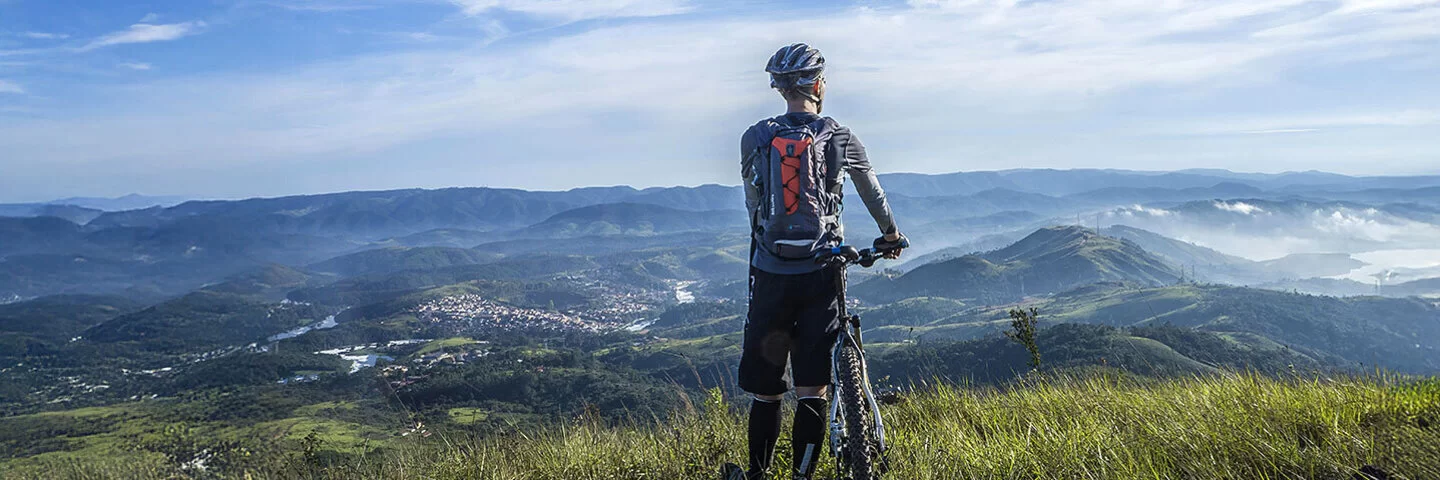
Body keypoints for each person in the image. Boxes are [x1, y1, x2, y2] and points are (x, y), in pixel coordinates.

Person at [723, 43, 907, 480]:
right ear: (819, 85)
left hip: (770, 274)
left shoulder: (755, 137)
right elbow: (872, 193)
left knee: (767, 393)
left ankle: (757, 475)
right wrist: (890, 235)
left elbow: (753, 203)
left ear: (779, 88)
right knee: (812, 390)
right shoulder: (839, 136)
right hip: (822, 274)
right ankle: (803, 475)